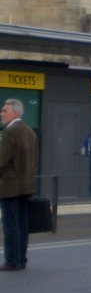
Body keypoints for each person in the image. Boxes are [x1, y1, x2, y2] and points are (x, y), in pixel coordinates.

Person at [0, 99, 38, 271]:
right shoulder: (30, 132)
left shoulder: (10, 132)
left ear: (15, 113)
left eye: (4, 111)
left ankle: (12, 260)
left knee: (10, 224)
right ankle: (21, 258)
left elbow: (2, 159)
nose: (1, 114)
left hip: (10, 186)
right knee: (22, 224)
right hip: (26, 185)